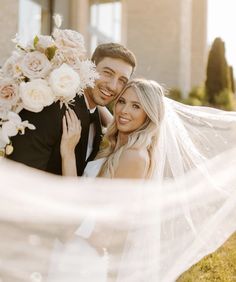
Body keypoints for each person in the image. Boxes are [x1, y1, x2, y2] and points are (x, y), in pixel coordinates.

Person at [8, 43, 136, 176]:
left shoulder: (96, 118)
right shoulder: (52, 109)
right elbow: (22, 173)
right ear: (89, 67)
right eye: (108, 73)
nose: (113, 86)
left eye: (122, 80)